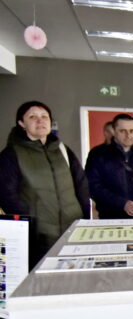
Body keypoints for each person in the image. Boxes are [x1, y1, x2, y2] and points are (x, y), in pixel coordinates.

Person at [0, 101, 90, 265]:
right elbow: (6, 195)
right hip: (38, 237)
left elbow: (81, 185)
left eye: (44, 116)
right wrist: (31, 224)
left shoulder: (62, 150)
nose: (40, 121)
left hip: (72, 232)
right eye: (32, 117)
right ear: (22, 123)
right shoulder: (12, 154)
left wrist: (84, 221)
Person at [85, 113, 133, 219]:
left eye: (132, 131)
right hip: (110, 218)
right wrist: (123, 204)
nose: (128, 135)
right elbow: (93, 187)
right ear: (114, 131)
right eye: (123, 131)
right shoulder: (98, 155)